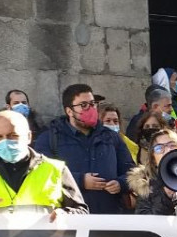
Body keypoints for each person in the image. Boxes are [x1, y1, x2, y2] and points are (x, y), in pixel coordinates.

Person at [33, 83, 134, 215]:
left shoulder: (112, 137)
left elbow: (131, 171)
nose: (91, 109)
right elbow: (42, 175)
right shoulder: (49, 139)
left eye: (92, 104)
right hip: (70, 218)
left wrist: (120, 184)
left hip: (110, 216)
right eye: (84, 105)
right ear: (69, 111)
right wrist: (80, 181)